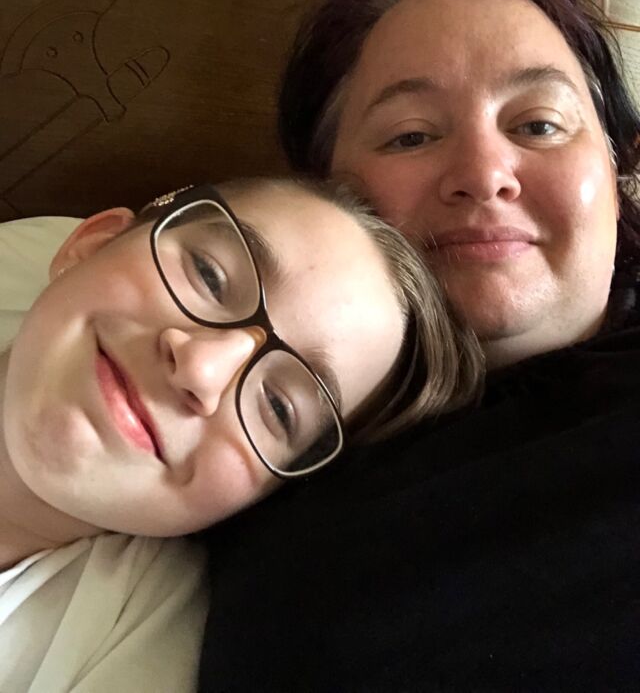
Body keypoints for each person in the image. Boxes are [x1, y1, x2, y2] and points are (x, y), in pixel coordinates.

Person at [198, 0, 640, 691]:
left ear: (618, 165)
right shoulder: (228, 411)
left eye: (538, 124)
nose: (483, 175)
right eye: (412, 135)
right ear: (324, 193)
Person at [0, 177, 480, 692]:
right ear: (91, 243)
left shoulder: (133, 641)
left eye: (278, 408)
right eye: (209, 276)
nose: (201, 370)